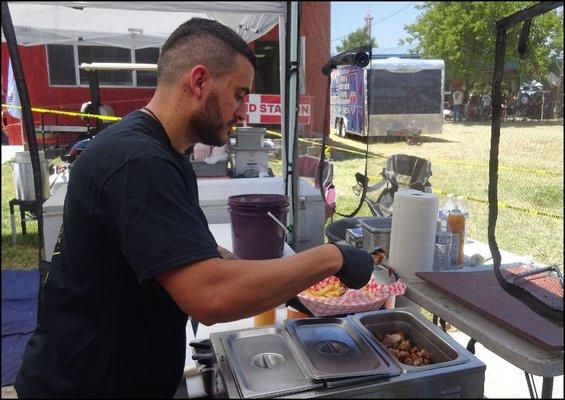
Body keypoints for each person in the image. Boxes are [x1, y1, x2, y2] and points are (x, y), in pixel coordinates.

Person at [14, 18, 381, 398]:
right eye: (239, 94)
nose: (243, 113)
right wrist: (331, 257)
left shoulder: (160, 152)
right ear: (199, 81)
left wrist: (286, 284)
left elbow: (194, 253)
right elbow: (210, 296)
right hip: (83, 386)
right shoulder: (138, 162)